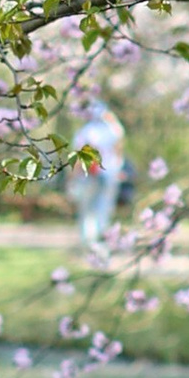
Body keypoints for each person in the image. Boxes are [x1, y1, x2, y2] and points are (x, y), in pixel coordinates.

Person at [70, 97, 126, 263]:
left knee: (88, 213)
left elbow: (78, 158)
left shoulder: (85, 132)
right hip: (107, 176)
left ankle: (92, 247)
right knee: (103, 211)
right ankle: (100, 246)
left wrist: (73, 177)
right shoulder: (112, 131)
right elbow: (118, 150)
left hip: (91, 177)